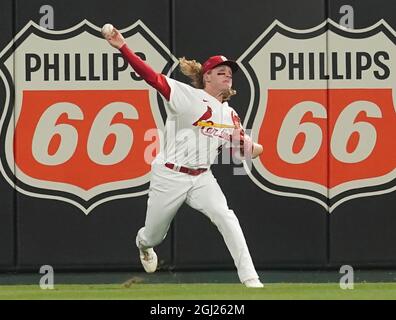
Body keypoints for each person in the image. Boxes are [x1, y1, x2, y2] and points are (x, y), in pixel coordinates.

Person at [103, 26, 264, 288]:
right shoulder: (188, 96)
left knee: (226, 217)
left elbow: (248, 151)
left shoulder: (230, 115)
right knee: (153, 235)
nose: (227, 74)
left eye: (229, 72)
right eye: (219, 71)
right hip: (169, 174)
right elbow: (152, 77)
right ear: (206, 77)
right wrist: (123, 47)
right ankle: (143, 245)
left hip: (202, 177)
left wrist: (249, 145)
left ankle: (251, 280)